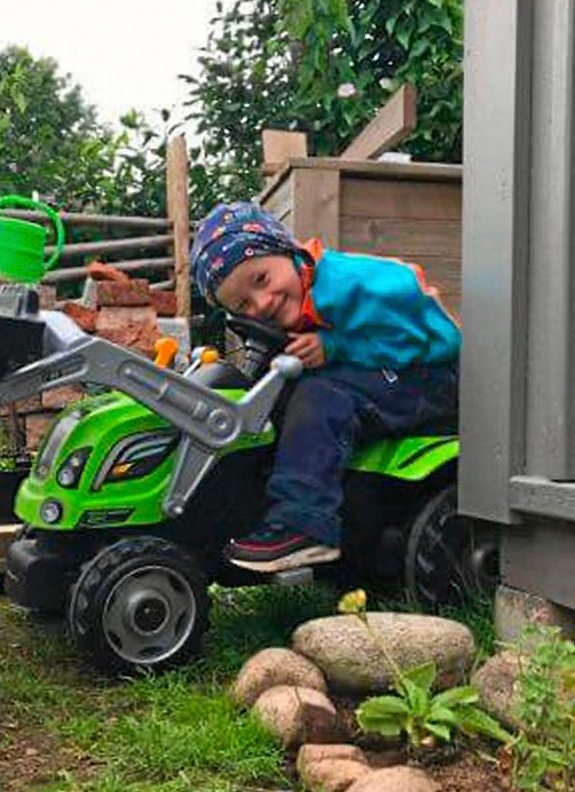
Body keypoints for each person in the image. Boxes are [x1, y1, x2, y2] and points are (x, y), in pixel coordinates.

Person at [190, 201, 461, 574]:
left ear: (287, 251)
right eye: (243, 305)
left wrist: (336, 346)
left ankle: (304, 525)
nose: (262, 303)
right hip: (375, 375)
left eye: (261, 279)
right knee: (275, 398)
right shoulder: (295, 297)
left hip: (427, 377)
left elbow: (437, 337)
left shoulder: (353, 283)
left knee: (320, 397)